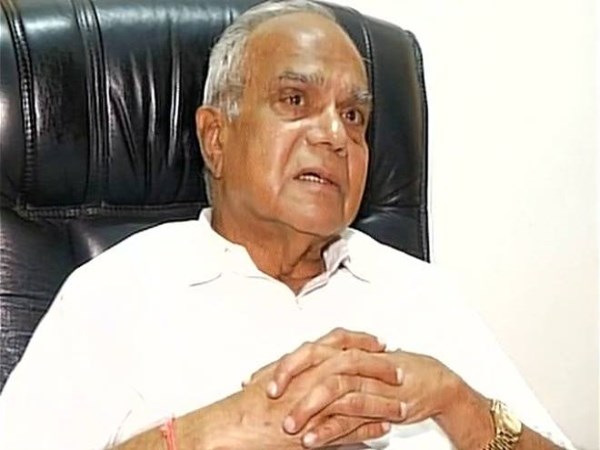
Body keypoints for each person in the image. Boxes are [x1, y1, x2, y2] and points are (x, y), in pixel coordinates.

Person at [0, 1, 576, 449]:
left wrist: (459, 404)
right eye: (295, 100)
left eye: (354, 115)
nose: (335, 135)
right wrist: (213, 432)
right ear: (216, 138)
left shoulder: (422, 295)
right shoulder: (117, 294)